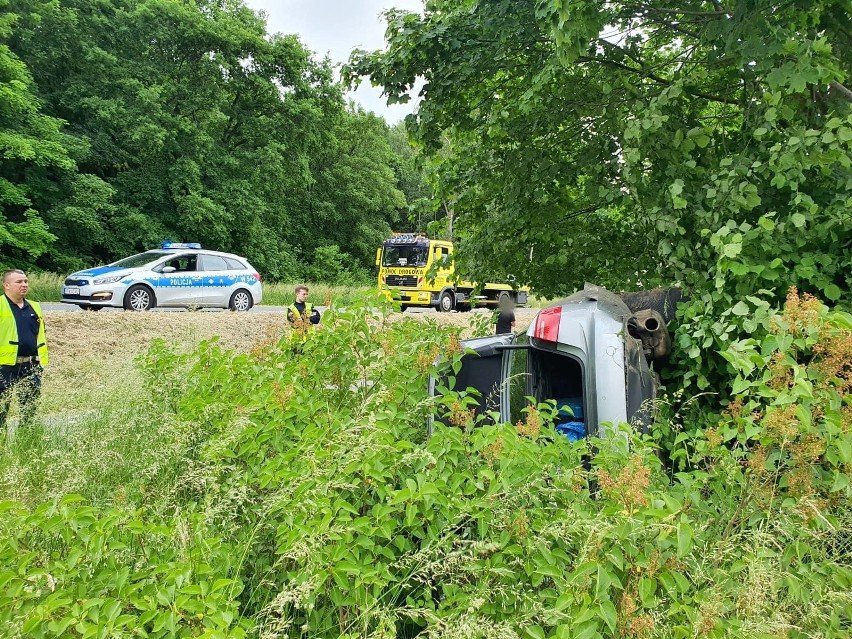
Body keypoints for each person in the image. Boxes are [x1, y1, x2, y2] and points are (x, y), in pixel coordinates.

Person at [0, 269, 48, 432]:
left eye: (26, 281)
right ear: (6, 285)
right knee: (1, 411)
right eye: (19, 282)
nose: (24, 285)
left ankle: (25, 445)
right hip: (4, 367)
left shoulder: (34, 307)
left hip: (31, 366)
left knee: (29, 411)